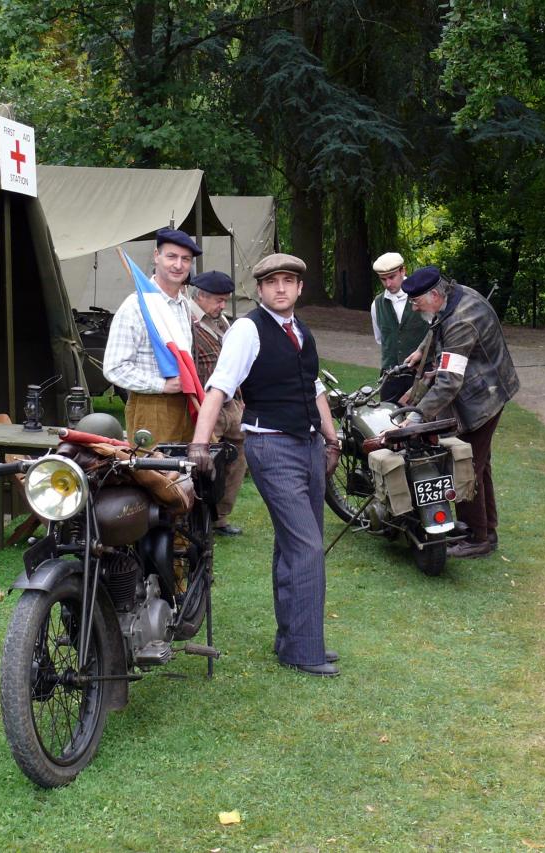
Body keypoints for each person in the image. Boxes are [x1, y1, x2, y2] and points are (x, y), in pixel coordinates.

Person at [187, 253, 343, 676]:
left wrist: (331, 439)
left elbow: (312, 386)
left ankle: (293, 638)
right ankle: (305, 650)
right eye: (272, 281)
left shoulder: (300, 331)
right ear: (259, 289)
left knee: (294, 546)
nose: (280, 288)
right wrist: (201, 442)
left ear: (299, 288)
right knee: (307, 547)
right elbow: (219, 387)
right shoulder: (247, 330)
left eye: (288, 281)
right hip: (272, 448)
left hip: (309, 445)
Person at [400, 266, 519, 558]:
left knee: (464, 468)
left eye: (417, 302)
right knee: (480, 465)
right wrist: (421, 350)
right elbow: (437, 324)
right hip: (491, 387)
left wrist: (416, 416)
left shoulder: (462, 322)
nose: (414, 307)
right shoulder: (457, 294)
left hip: (483, 398)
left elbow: (449, 382)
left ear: (435, 294)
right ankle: (486, 530)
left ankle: (475, 537)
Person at [103, 228, 203, 442]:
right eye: (171, 256)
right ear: (156, 256)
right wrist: (162, 385)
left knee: (185, 472)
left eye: (185, 259)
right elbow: (114, 368)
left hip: (185, 403)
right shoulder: (135, 307)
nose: (178, 265)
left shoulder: (183, 305)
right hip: (151, 406)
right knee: (155, 474)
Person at [188, 270, 248, 536]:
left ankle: (220, 518)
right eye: (218, 300)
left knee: (237, 460)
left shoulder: (222, 321)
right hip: (205, 406)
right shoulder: (186, 323)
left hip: (231, 404)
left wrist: (242, 400)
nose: (223, 305)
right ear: (200, 296)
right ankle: (196, 519)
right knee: (203, 464)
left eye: (225, 300)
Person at [370, 252, 430, 402]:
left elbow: (436, 334)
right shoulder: (377, 304)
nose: (388, 284)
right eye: (383, 279)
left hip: (421, 373)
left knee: (422, 421)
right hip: (390, 377)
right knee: (386, 420)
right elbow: (381, 339)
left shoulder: (423, 298)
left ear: (403, 271)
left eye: (391, 277)